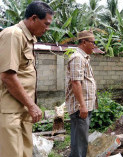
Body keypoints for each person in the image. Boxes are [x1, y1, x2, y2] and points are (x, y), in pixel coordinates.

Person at [0, 1, 53, 157]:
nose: (47, 28)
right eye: (46, 23)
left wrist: (29, 106)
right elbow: (7, 76)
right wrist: (32, 105)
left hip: (22, 111)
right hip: (11, 113)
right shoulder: (13, 34)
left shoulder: (29, 38)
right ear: (34, 18)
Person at [65, 30, 99, 157]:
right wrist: (82, 105)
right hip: (81, 108)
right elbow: (75, 82)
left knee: (80, 141)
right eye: (92, 42)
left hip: (84, 106)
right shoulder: (77, 58)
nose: (94, 45)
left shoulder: (83, 58)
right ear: (84, 42)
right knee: (79, 144)